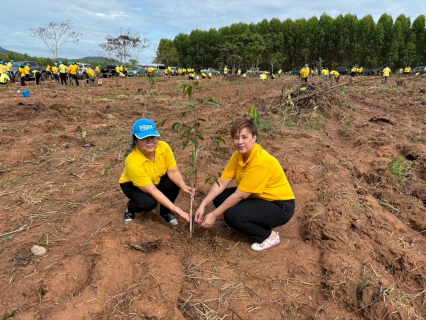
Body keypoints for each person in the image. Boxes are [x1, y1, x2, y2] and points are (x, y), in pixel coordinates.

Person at [195, 119, 295, 251]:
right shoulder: (238, 156)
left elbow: (240, 195)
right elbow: (222, 182)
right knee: (220, 198)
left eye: (244, 137)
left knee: (232, 216)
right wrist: (203, 205)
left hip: (280, 206)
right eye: (236, 138)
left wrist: (213, 215)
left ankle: (269, 236)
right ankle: (249, 220)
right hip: (258, 196)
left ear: (254, 138)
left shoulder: (260, 161)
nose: (240, 142)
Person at [119, 118, 194, 226]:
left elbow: (173, 171)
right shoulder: (132, 162)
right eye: (144, 138)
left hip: (155, 179)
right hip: (133, 185)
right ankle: (130, 208)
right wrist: (177, 209)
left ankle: (165, 212)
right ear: (136, 141)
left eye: (152, 137)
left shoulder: (164, 147)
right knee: (148, 203)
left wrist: (183, 185)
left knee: (172, 183)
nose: (150, 141)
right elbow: (152, 190)